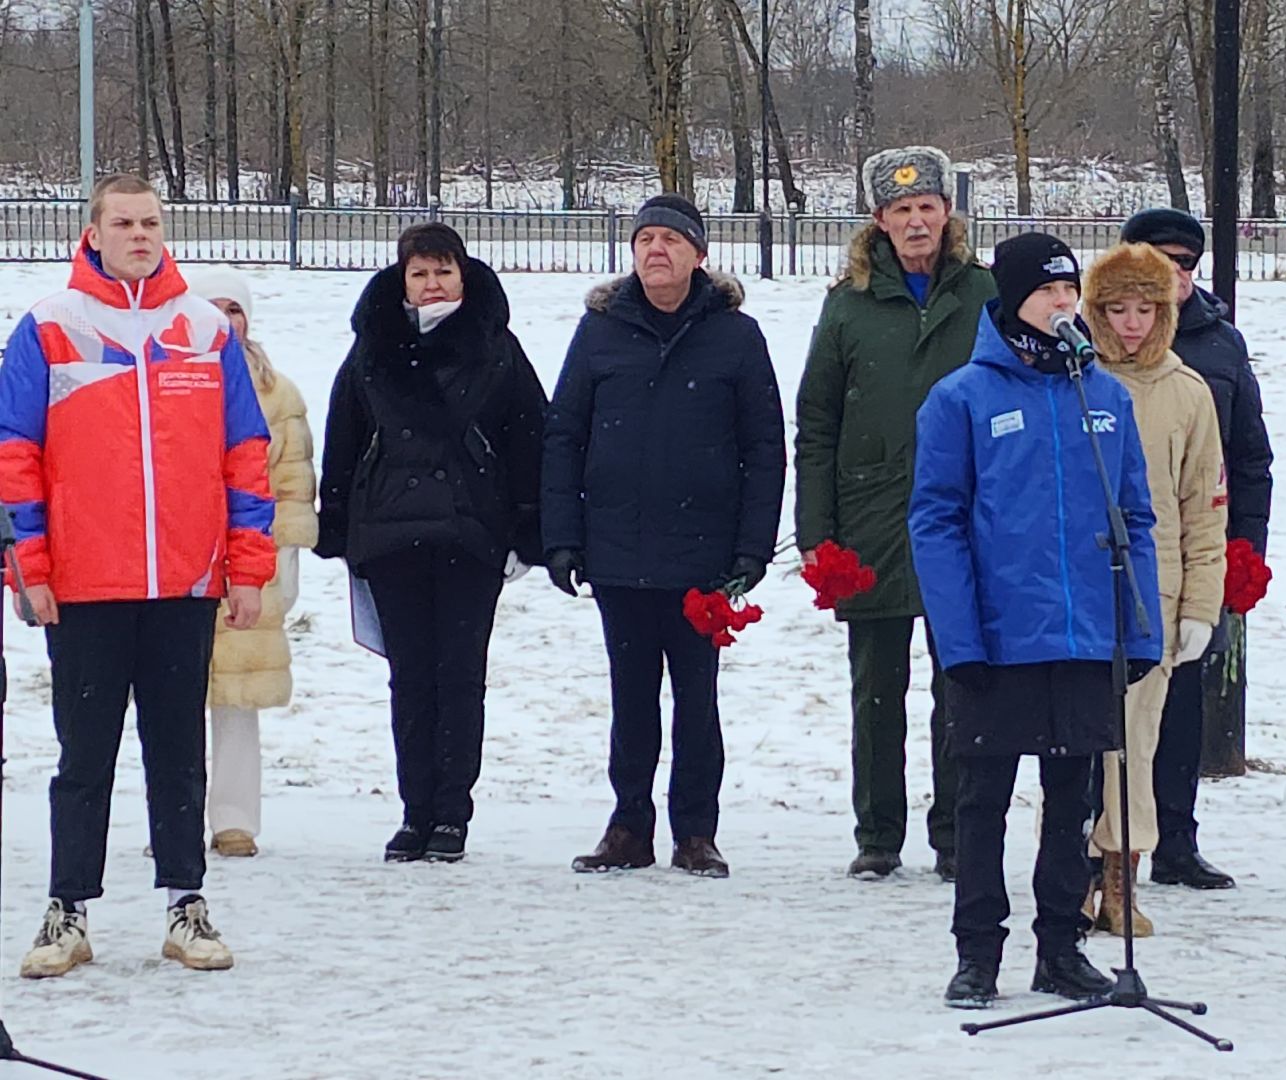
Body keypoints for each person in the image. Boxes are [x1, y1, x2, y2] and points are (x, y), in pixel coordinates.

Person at [1, 174, 274, 977]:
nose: (139, 234)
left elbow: (245, 456)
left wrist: (248, 568)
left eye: (151, 221)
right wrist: (28, 567)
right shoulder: (49, 328)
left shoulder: (202, 330)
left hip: (183, 585)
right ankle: (67, 911)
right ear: (93, 232)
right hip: (83, 588)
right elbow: (14, 456)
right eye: (123, 221)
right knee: (84, 757)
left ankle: (185, 904)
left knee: (177, 752)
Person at [910, 232, 1161, 1009]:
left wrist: (1140, 627)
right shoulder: (962, 397)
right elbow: (936, 521)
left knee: (1072, 795)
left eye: (1067, 291)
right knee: (982, 798)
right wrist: (960, 638)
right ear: (1012, 300)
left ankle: (1060, 947)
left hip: (1085, 633)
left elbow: (1136, 518)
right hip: (997, 636)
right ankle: (977, 952)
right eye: (1047, 292)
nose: (1063, 304)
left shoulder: (1105, 396)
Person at [546, 194, 785, 881]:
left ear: (699, 256)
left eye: (672, 241)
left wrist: (751, 547)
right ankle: (627, 825)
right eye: (646, 238)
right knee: (630, 698)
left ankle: (696, 831)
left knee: (696, 700)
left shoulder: (735, 336)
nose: (657, 250)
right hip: (617, 550)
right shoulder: (599, 333)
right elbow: (565, 435)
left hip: (703, 556)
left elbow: (763, 447)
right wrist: (562, 535)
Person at [314, 222, 547, 865]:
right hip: (391, 535)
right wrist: (334, 523)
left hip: (469, 535)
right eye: (419, 273)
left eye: (443, 271)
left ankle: (452, 814)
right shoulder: (371, 350)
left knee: (459, 675)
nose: (432, 283)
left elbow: (531, 438)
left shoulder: (497, 349)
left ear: (463, 276)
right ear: (403, 281)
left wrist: (529, 528)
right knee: (410, 679)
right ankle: (415, 811)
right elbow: (344, 437)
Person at [795, 146, 996, 882]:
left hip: (964, 520)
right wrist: (816, 533)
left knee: (962, 685)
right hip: (869, 520)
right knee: (875, 691)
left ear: (948, 214)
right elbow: (815, 422)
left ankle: (955, 833)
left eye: (927, 207)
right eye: (901, 210)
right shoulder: (848, 304)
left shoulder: (983, 295)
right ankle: (878, 833)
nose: (916, 222)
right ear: (878, 220)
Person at [1119, 207, 1273, 891]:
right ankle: (1107, 839)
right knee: (1115, 709)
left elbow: (1248, 459)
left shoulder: (1218, 345)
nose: (1172, 276)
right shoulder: (1097, 343)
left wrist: (1245, 553)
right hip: (1118, 558)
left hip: (1192, 556)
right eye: (1158, 261)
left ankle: (1175, 840)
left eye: (1184, 264)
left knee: (1183, 707)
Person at [1078, 242, 1226, 937]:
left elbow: (1205, 504)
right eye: (1116, 309)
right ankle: (1072, 872)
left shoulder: (1186, 391)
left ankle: (1120, 876)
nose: (1131, 324)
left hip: (1155, 591)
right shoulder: (1070, 380)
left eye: (1145, 309)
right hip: (1077, 588)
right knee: (1077, 741)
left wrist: (1200, 603)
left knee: (1137, 741)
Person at [189, 268, 317, 860]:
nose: (225, 320)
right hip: (183, 557)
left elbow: (292, 485)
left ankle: (235, 819)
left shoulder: (279, 393)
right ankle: (178, 811)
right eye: (213, 308)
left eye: (233, 310)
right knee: (178, 697)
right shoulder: (175, 380)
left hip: (249, 559)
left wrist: (283, 556)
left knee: (238, 700)